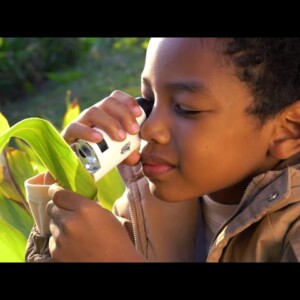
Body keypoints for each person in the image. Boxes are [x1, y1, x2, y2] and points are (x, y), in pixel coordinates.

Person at [25, 38, 300, 262]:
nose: (149, 129)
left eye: (186, 107)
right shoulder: (148, 202)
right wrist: (63, 179)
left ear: (288, 130)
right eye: (148, 100)